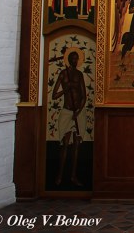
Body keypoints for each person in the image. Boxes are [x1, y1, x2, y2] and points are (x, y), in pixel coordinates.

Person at [51, 50, 87, 186]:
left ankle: (73, 176)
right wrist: (66, 89)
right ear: (69, 60)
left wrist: (78, 111)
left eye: (77, 59)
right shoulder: (63, 74)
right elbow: (54, 95)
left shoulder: (79, 74)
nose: (75, 61)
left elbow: (83, 96)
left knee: (76, 145)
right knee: (65, 144)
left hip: (78, 112)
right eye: (73, 58)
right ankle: (60, 176)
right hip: (67, 112)